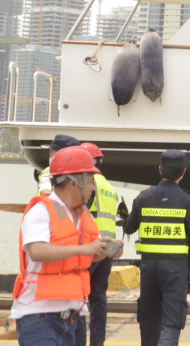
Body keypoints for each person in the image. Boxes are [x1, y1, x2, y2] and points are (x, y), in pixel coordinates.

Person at [12, 146, 121, 346]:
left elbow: (85, 257)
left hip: (71, 316)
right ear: (74, 182)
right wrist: (83, 249)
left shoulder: (83, 214)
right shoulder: (41, 211)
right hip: (38, 316)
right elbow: (36, 251)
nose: (93, 188)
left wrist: (102, 251)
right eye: (89, 181)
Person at [124, 150, 190, 346]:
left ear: (160, 169)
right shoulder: (187, 200)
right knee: (172, 320)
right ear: (184, 172)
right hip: (174, 270)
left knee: (148, 318)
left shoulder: (143, 197)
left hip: (148, 267)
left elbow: (129, 227)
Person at [75, 143, 122, 346]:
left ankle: (77, 341)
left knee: (77, 296)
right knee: (99, 297)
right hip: (108, 249)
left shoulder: (87, 185)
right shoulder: (110, 189)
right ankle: (97, 342)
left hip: (91, 248)